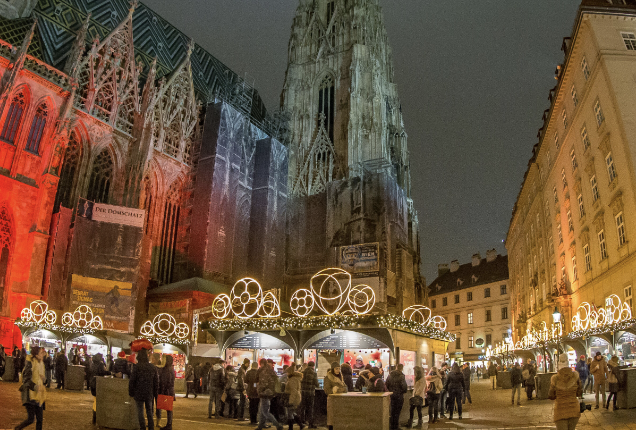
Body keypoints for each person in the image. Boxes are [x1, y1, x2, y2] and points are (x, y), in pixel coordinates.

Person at [15, 346, 47, 430]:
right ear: (36, 355)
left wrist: (45, 380)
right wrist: (36, 387)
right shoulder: (30, 363)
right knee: (31, 419)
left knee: (40, 419)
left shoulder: (41, 364)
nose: (43, 354)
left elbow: (42, 379)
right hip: (30, 394)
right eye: (41, 353)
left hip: (39, 395)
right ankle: (17, 428)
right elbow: (26, 380)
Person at [548, 353, 582, 430]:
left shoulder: (555, 379)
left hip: (560, 410)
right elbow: (579, 393)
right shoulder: (575, 376)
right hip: (574, 409)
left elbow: (551, 396)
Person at [128, 348, 159, 430]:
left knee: (140, 412)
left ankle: (142, 427)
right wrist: (155, 394)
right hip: (149, 393)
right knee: (149, 411)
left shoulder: (137, 367)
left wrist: (131, 392)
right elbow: (156, 382)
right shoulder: (152, 367)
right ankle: (151, 427)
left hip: (139, 392)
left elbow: (132, 380)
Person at [256, 358, 283, 430]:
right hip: (270, 392)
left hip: (264, 392)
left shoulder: (262, 371)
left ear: (261, 364)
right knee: (262, 411)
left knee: (265, 411)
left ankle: (278, 425)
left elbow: (260, 382)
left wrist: (260, 389)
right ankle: (260, 426)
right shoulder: (271, 371)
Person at [89, 353, 111, 424]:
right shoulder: (100, 364)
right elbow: (102, 372)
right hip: (98, 384)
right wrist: (110, 373)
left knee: (95, 400)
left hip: (92, 383)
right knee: (97, 401)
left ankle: (94, 417)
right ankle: (95, 417)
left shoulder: (92, 364)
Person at [386, 363, 408, 430]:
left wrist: (390, 391)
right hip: (399, 396)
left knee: (392, 411)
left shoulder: (390, 375)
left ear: (396, 367)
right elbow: (404, 387)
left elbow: (386, 384)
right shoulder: (401, 376)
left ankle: (391, 426)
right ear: (402, 368)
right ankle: (396, 426)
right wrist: (402, 391)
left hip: (392, 395)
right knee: (397, 412)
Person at [157, 355, 175, 430]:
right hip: (169, 390)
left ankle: (169, 425)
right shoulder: (170, 369)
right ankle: (169, 424)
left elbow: (165, 381)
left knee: (168, 408)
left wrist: (161, 390)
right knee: (169, 409)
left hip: (167, 391)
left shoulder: (167, 369)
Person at [284, 364, 305, 430]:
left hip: (293, 398)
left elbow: (294, 391)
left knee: (290, 413)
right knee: (292, 412)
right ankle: (301, 424)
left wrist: (291, 401)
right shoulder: (293, 379)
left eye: (287, 372)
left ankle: (291, 428)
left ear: (290, 372)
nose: (286, 373)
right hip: (295, 397)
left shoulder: (292, 380)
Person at [300, 361, 318, 429]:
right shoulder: (314, 373)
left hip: (303, 392)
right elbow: (316, 384)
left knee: (303, 407)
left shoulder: (303, 373)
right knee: (310, 408)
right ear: (313, 366)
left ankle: (302, 422)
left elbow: (301, 382)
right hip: (310, 393)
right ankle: (311, 424)